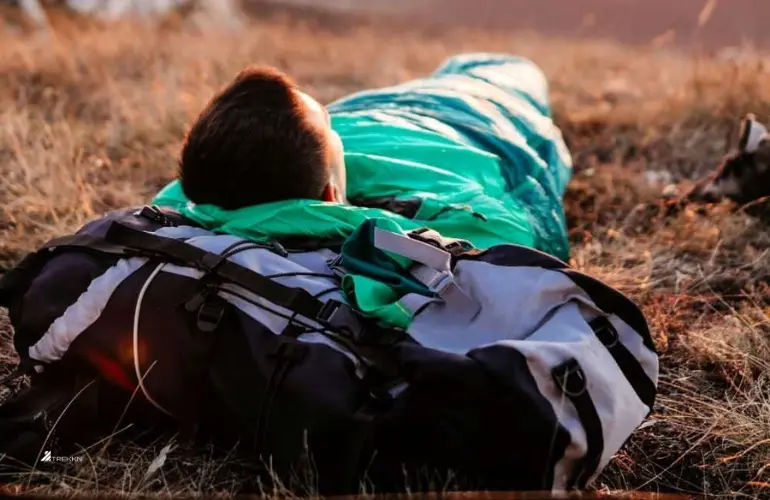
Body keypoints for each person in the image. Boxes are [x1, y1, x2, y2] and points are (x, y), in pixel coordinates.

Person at [153, 53, 574, 264]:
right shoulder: (417, 216)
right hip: (478, 114)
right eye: (330, 127)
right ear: (331, 191)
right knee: (507, 66)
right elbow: (519, 235)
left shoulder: (191, 202)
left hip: (381, 104)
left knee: (459, 65)